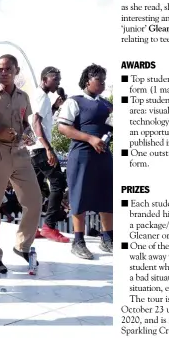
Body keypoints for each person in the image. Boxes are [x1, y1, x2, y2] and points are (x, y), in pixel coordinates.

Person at [0, 55, 42, 274]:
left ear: (16, 71)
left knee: (34, 201)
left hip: (20, 153)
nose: (3, 73)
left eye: (7, 69)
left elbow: (26, 123)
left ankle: (22, 245)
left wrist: (28, 135)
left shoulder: (24, 97)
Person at [57, 64, 114, 260]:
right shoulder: (75, 102)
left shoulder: (108, 105)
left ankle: (108, 238)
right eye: (100, 80)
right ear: (88, 80)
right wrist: (90, 138)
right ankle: (78, 241)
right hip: (81, 155)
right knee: (79, 196)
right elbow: (63, 128)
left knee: (107, 195)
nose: (103, 84)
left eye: (105, 80)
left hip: (104, 155)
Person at [29, 66, 69, 242]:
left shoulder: (43, 98)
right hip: (40, 148)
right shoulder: (41, 97)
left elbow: (42, 120)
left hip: (35, 149)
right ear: (44, 80)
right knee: (58, 183)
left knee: (35, 190)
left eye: (59, 80)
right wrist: (48, 148)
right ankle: (49, 227)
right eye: (55, 79)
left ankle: (31, 229)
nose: (58, 82)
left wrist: (54, 107)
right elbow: (36, 122)